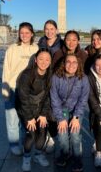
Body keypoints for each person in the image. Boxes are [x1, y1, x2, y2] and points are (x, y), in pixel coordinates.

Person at [2, 22, 39, 156]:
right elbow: (6, 70)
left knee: (26, 119)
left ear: (32, 34)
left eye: (27, 33)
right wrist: (5, 90)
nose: (24, 35)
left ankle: (25, 143)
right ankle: (13, 144)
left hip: (28, 90)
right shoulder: (12, 49)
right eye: (22, 32)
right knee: (12, 119)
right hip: (12, 87)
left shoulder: (36, 49)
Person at [50, 54, 90, 172]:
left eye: (74, 62)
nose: (71, 65)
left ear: (78, 65)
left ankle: (77, 158)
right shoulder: (56, 77)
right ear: (64, 63)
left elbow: (83, 99)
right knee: (62, 135)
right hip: (62, 110)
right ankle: (65, 154)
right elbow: (54, 99)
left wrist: (76, 117)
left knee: (75, 135)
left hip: (77, 109)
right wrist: (60, 118)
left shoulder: (83, 78)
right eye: (68, 62)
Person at [16, 49, 53, 171]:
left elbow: (48, 96)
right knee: (31, 134)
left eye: (47, 59)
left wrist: (43, 114)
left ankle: (38, 154)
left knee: (42, 132)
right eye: (41, 59)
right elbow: (23, 98)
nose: (44, 62)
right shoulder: (27, 75)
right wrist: (29, 118)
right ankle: (26, 158)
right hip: (26, 109)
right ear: (36, 60)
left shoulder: (49, 75)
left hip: (40, 108)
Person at [37, 19, 64, 153]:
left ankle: (52, 137)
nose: (49, 31)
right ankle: (44, 135)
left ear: (57, 30)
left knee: (53, 109)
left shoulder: (62, 44)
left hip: (57, 80)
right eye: (47, 29)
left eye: (52, 29)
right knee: (43, 107)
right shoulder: (41, 42)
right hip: (42, 79)